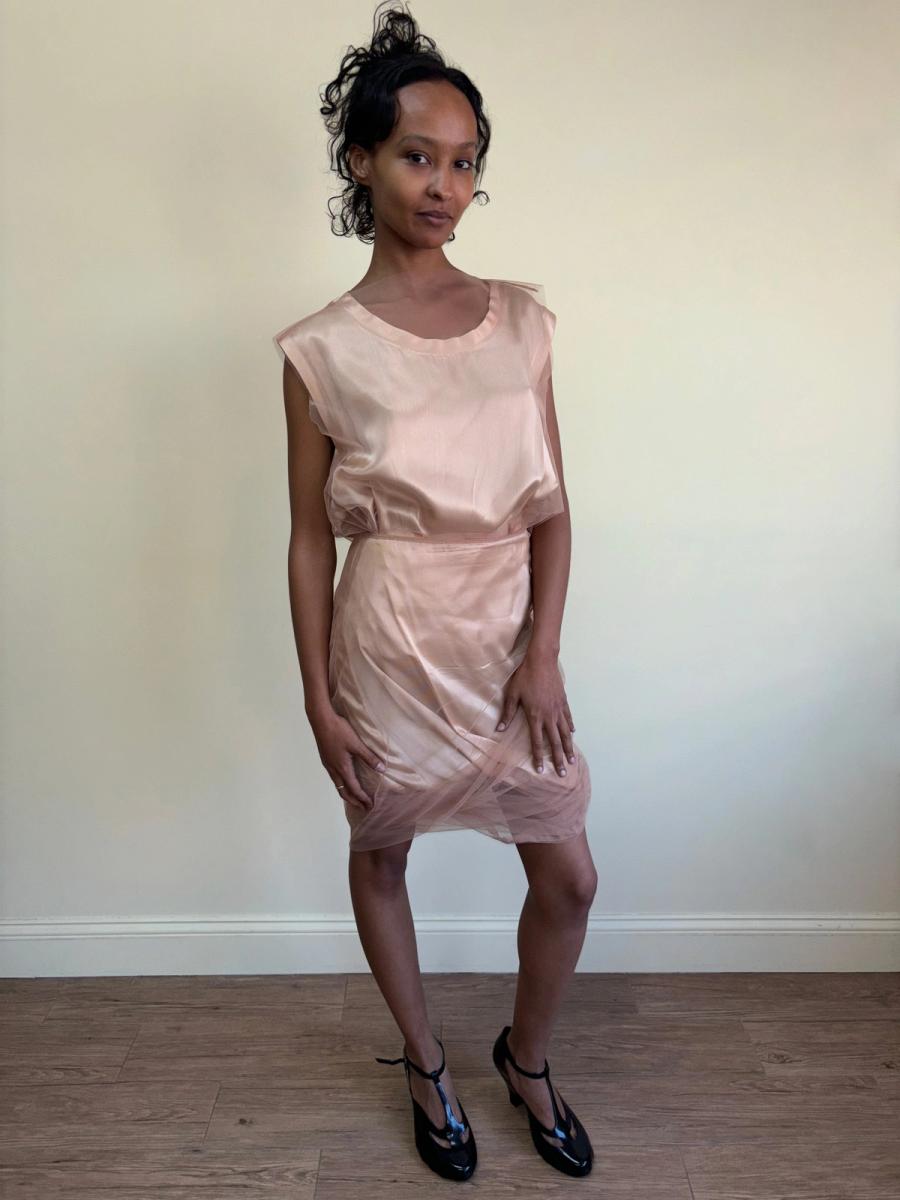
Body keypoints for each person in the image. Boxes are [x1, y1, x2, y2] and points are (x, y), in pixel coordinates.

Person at [273, 2, 597, 1183]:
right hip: (388, 640)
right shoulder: (319, 349)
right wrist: (318, 701)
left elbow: (551, 502)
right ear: (363, 160)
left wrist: (543, 652)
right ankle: (424, 1062)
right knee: (383, 853)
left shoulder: (522, 322)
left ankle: (527, 1057)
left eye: (465, 163)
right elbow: (310, 539)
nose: (444, 186)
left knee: (570, 874)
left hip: (505, 642)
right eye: (418, 156)